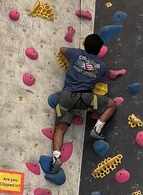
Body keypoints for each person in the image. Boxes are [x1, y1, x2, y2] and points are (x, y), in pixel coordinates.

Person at [49, 33, 116, 172]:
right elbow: (102, 74)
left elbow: (61, 49)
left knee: (60, 129)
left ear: (85, 44)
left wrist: (78, 54)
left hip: (66, 98)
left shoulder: (75, 54)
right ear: (99, 50)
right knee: (112, 104)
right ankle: (97, 128)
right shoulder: (101, 66)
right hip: (86, 99)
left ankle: (56, 157)